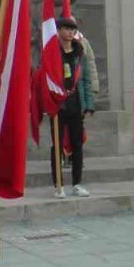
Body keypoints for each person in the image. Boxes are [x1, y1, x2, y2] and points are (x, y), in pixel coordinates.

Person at [52, 16, 95, 198]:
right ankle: (58, 184)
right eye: (67, 28)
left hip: (76, 103)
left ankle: (77, 183)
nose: (70, 32)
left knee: (77, 143)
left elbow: (85, 79)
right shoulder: (52, 53)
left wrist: (89, 104)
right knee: (57, 143)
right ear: (59, 30)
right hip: (58, 104)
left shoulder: (79, 52)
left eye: (73, 29)